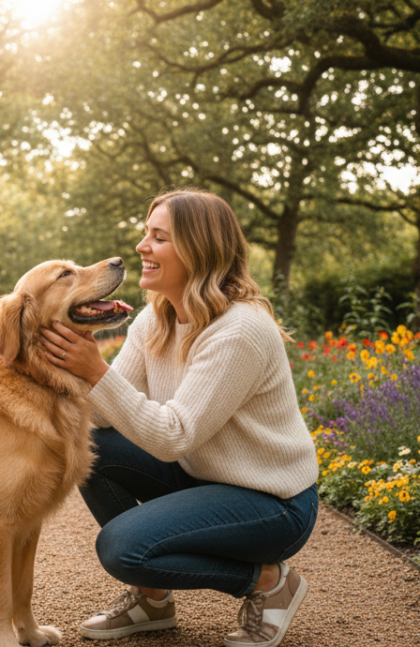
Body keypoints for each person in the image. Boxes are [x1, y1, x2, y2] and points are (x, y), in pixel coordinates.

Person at [39, 189, 319, 647]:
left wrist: (93, 370)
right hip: (206, 476)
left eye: (158, 237)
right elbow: (105, 418)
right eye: (145, 234)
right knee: (89, 451)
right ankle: (153, 602)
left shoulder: (239, 331)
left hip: (273, 502)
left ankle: (268, 581)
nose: (141, 247)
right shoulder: (157, 318)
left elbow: (174, 436)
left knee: (122, 548)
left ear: (197, 249)